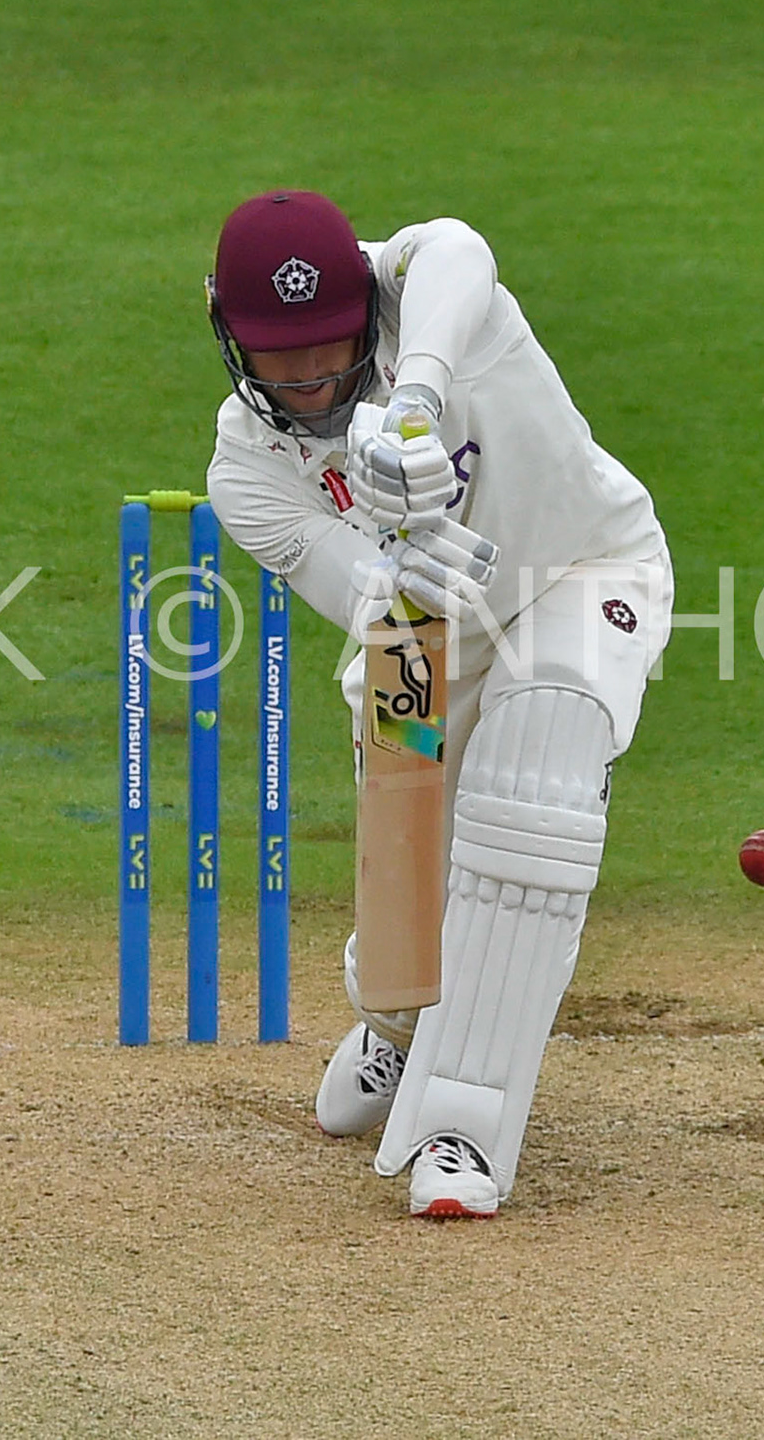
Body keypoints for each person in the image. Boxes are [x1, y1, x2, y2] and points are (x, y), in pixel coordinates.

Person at [203, 190, 673, 1218]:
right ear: (232, 339)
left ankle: (460, 1127)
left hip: (581, 571)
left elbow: (462, 246)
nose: (316, 384)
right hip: (423, 638)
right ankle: (397, 1025)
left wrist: (413, 405)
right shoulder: (246, 468)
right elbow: (362, 600)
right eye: (284, 366)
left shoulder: (427, 287)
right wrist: (401, 570)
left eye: (330, 353)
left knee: (536, 781)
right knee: (408, 886)